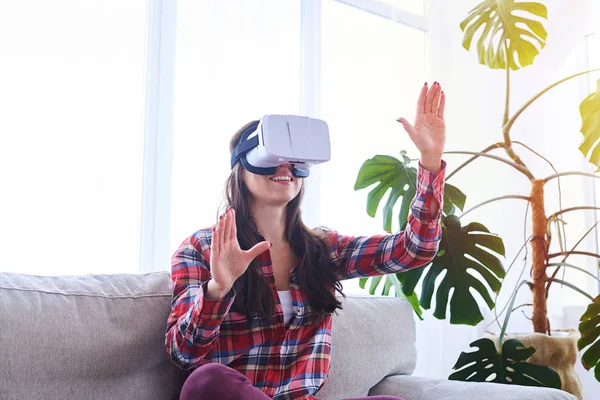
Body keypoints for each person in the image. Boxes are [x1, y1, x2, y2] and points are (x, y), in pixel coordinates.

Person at [165, 82, 447, 400]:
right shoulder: (202, 249)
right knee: (208, 380)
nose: (286, 168)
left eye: (296, 160)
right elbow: (183, 354)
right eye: (273, 156)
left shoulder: (322, 250)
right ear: (241, 167)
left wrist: (430, 161)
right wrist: (218, 289)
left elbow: (413, 250)